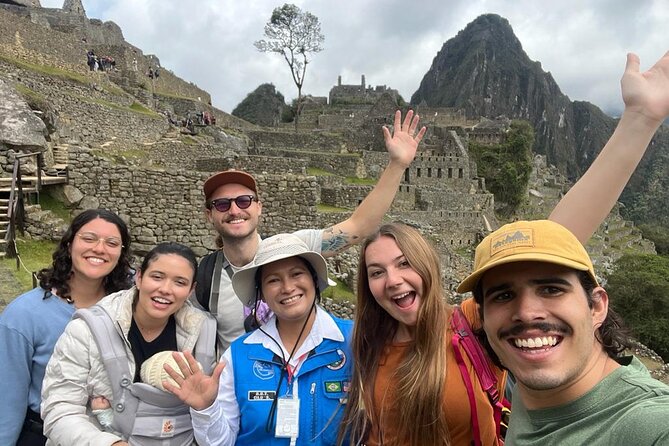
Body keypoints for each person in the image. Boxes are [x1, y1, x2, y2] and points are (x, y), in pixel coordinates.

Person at [340, 50, 669, 446]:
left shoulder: (468, 324)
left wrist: (638, 122)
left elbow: (553, 240)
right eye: (377, 272)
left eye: (404, 263)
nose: (392, 280)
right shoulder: (363, 345)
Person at [196, 109, 426, 349]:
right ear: (209, 214)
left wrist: (397, 166)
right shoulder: (205, 277)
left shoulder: (294, 248)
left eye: (243, 201)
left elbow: (359, 226)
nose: (234, 210)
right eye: (222, 204)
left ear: (258, 207)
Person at [459, 220, 669, 445]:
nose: (527, 313)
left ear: (596, 307)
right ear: (482, 319)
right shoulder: (529, 387)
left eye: (551, 289)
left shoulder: (652, 426)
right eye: (503, 296)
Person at [165, 233, 352, 445]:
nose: (288, 287)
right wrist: (205, 409)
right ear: (260, 292)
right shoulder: (239, 355)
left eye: (297, 274)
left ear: (314, 279)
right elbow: (221, 442)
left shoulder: (355, 341)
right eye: (273, 280)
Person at [41, 242, 217, 445]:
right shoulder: (87, 330)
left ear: (191, 290)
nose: (165, 289)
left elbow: (213, 415)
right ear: (139, 277)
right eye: (157, 277)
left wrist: (206, 407)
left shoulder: (204, 333)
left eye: (180, 282)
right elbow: (59, 409)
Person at [0, 209, 132, 446]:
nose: (100, 249)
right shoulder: (24, 315)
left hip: (117, 435)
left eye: (112, 243)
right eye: (89, 239)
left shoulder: (131, 307)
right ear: (70, 243)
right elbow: (7, 398)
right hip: (47, 434)